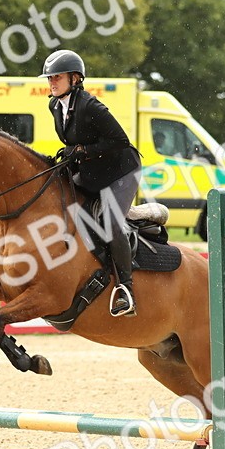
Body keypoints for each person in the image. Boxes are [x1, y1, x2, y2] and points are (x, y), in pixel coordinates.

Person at [42, 49, 142, 317]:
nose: (52, 82)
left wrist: (82, 151)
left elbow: (120, 141)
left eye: (57, 77)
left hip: (121, 172)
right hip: (94, 171)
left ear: (75, 78)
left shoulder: (90, 106)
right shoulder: (55, 106)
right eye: (49, 78)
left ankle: (126, 289)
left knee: (111, 222)